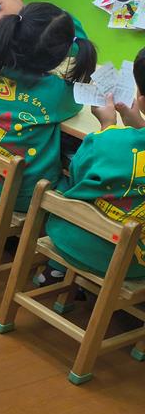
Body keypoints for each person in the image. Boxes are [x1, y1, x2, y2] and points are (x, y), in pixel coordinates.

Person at [0, 2, 97, 212]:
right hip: (26, 196)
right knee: (79, 184)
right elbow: (78, 104)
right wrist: (67, 24)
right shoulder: (57, 93)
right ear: (61, 56)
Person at [42, 49, 145, 282]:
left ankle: (56, 272)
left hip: (72, 240)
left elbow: (79, 176)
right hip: (133, 263)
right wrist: (138, 127)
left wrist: (107, 126)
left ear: (140, 100)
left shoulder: (107, 141)